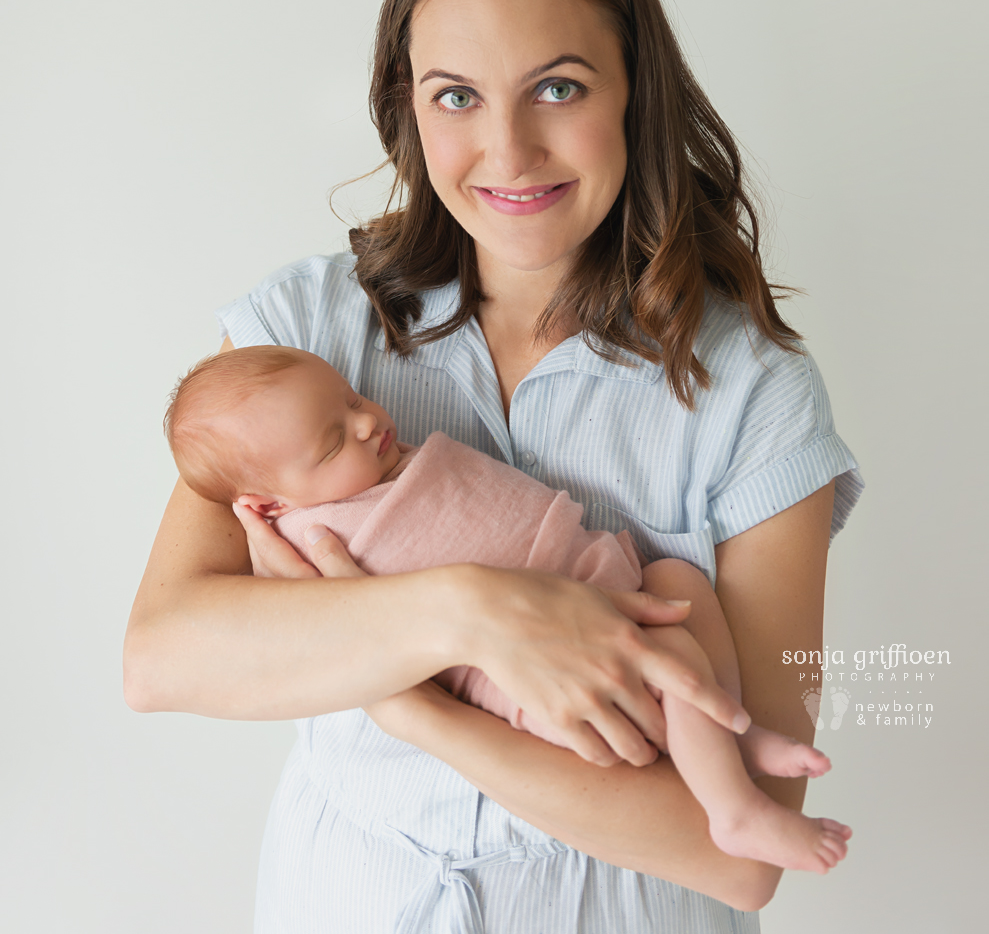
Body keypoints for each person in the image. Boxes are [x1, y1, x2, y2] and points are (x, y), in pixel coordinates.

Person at [125, 0, 863, 933]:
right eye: (455, 95)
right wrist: (471, 611)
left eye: (557, 88)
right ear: (407, 102)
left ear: (633, 93)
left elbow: (737, 858)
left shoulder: (755, 398)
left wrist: (407, 704)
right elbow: (161, 655)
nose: (507, 152)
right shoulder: (306, 336)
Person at [163, 343, 850, 875]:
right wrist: (272, 560)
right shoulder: (303, 541)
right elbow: (209, 648)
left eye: (351, 398)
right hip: (525, 668)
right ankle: (730, 806)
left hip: (589, 578)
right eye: (333, 441)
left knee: (679, 588)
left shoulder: (361, 457)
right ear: (266, 505)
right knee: (663, 660)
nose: (368, 421)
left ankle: (729, 739)